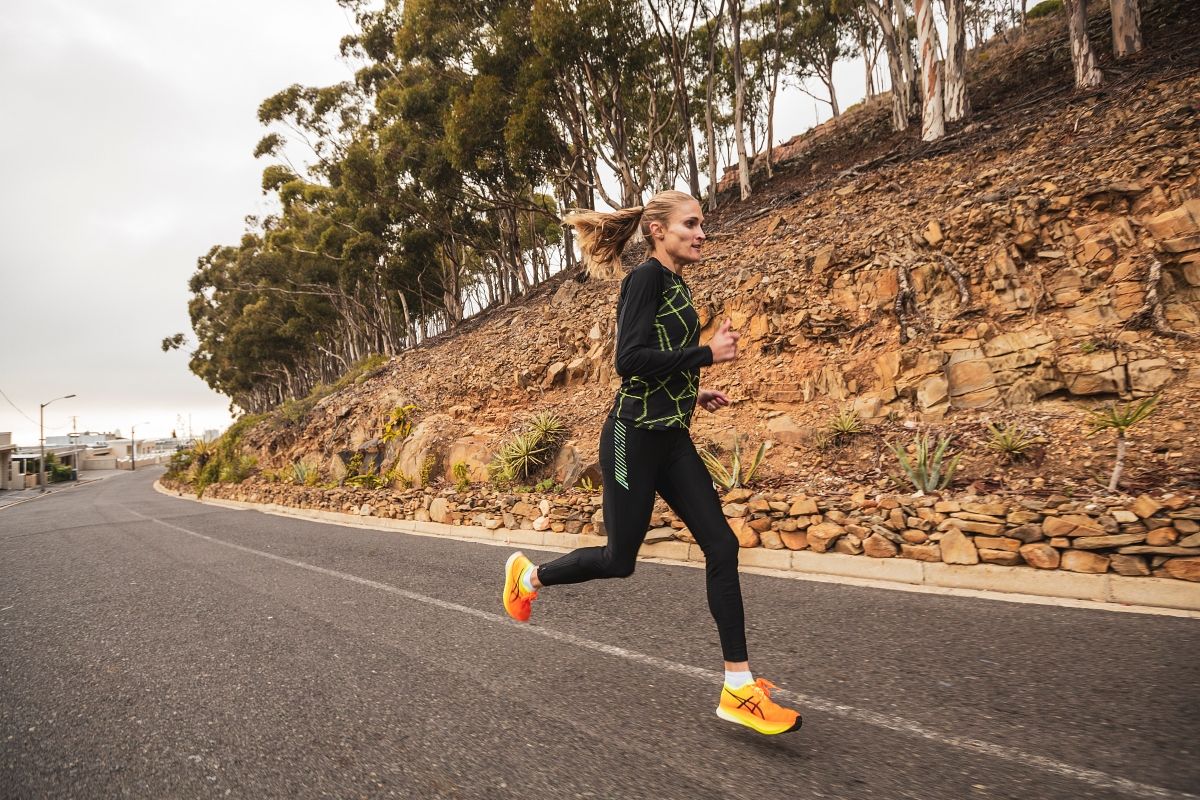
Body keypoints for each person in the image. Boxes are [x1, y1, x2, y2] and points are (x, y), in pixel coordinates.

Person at [501, 189, 801, 735]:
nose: (702, 233)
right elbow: (629, 360)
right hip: (630, 438)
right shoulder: (644, 280)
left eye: (702, 224)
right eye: (692, 224)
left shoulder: (678, 284)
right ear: (659, 231)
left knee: (722, 544)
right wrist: (707, 353)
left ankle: (739, 687)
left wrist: (693, 393)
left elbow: (661, 367)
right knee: (620, 559)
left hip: (671, 434)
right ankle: (528, 577)